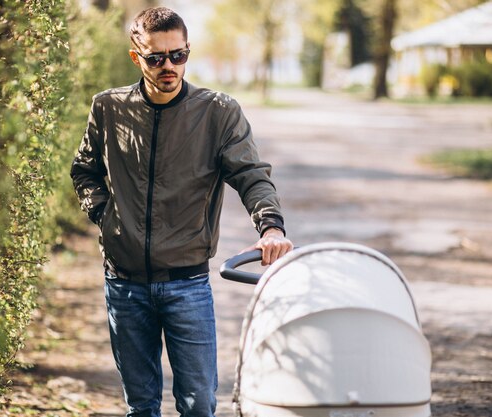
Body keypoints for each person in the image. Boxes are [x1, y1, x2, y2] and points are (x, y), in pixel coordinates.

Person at [70, 7, 293, 417]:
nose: (169, 65)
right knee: (141, 407)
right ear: (136, 57)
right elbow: (85, 170)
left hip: (187, 285)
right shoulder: (108, 108)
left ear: (188, 52)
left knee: (199, 404)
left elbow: (251, 175)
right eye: (156, 57)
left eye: (178, 54)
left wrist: (270, 227)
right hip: (124, 284)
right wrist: (106, 218)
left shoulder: (218, 112)